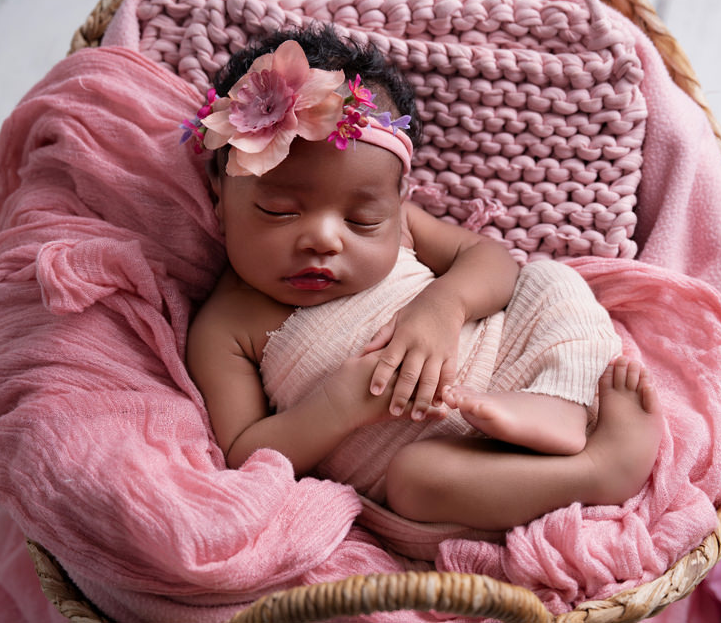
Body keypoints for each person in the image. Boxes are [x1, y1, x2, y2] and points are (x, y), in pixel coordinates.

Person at [184, 26, 663, 531]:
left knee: (550, 280)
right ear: (219, 196)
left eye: (364, 220)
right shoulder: (225, 326)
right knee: (413, 482)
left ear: (398, 200)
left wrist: (443, 306)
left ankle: (561, 399)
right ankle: (597, 470)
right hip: (453, 457)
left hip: (512, 357)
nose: (324, 239)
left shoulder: (408, 227)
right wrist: (338, 407)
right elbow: (243, 452)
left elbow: (492, 259)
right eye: (278, 211)